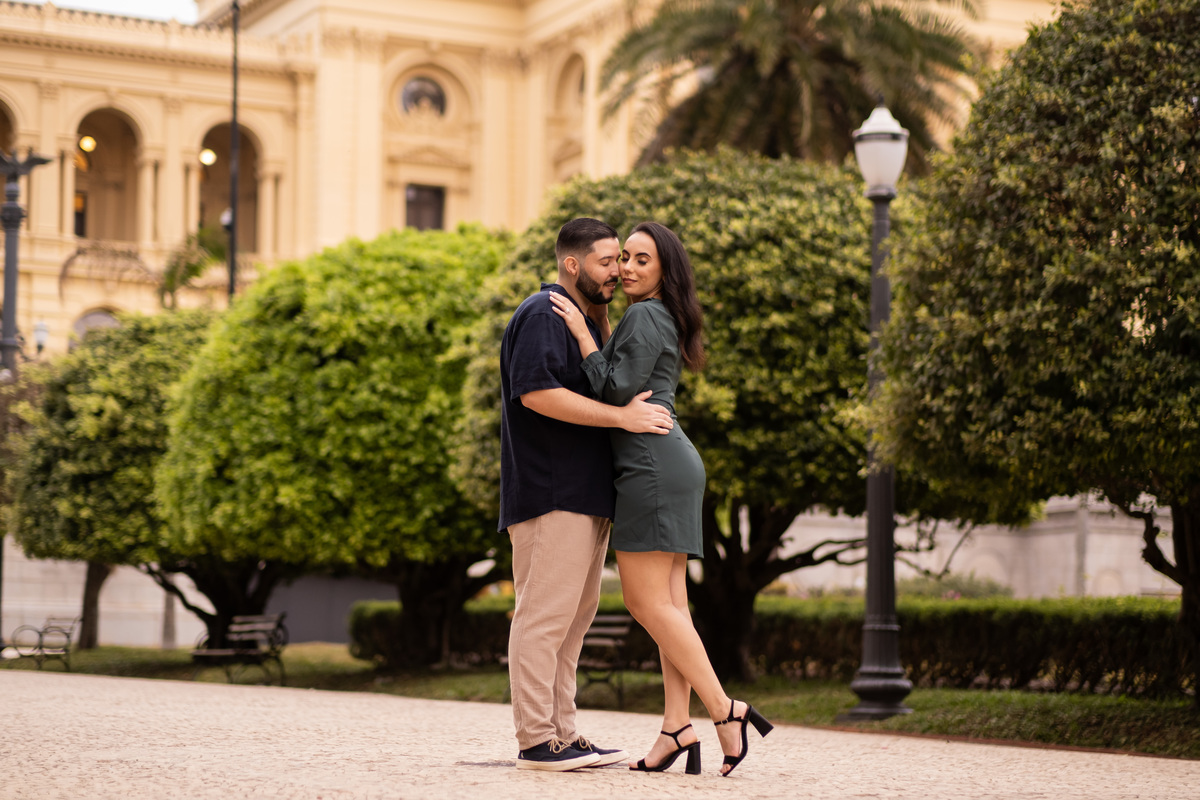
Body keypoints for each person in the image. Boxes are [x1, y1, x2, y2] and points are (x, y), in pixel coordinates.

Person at [549, 221, 773, 777]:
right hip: (667, 461)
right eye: (623, 256)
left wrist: (584, 338)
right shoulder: (658, 315)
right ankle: (676, 726)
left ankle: (726, 709)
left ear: (664, 271)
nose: (626, 267)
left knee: (646, 604)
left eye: (641, 260)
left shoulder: (645, 314)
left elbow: (619, 391)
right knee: (672, 609)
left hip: (650, 467)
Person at [499, 217, 675, 772]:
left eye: (622, 260)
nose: (617, 271)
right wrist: (621, 417)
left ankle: (563, 733)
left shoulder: (590, 322)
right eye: (607, 261)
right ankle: (535, 739)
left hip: (584, 493)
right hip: (552, 492)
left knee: (574, 617)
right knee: (544, 617)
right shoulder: (542, 313)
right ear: (572, 265)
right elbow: (537, 395)